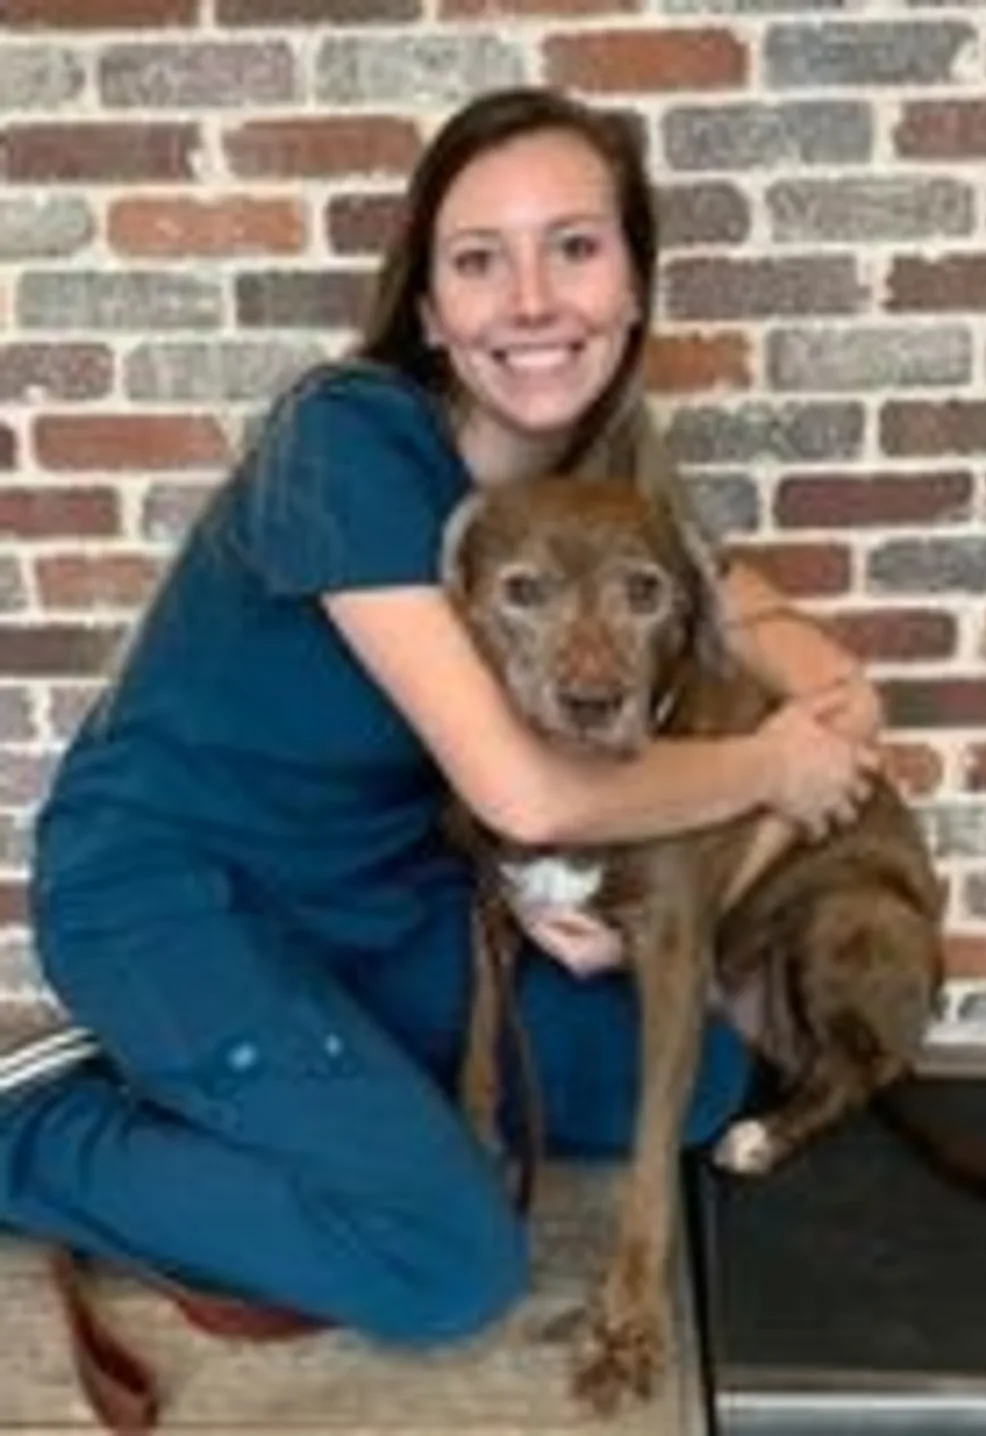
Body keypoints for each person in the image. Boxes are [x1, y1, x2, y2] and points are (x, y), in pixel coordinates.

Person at [2, 87, 882, 1348]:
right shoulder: (346, 438)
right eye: (480, 261)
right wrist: (767, 764)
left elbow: (799, 661)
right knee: (443, 1261)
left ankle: (259, 1077)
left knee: (700, 1089)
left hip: (368, 900)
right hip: (173, 890)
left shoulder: (606, 495)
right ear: (429, 308)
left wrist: (825, 713)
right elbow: (528, 791)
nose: (531, 299)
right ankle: (32, 1126)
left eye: (574, 247)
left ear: (636, 284)